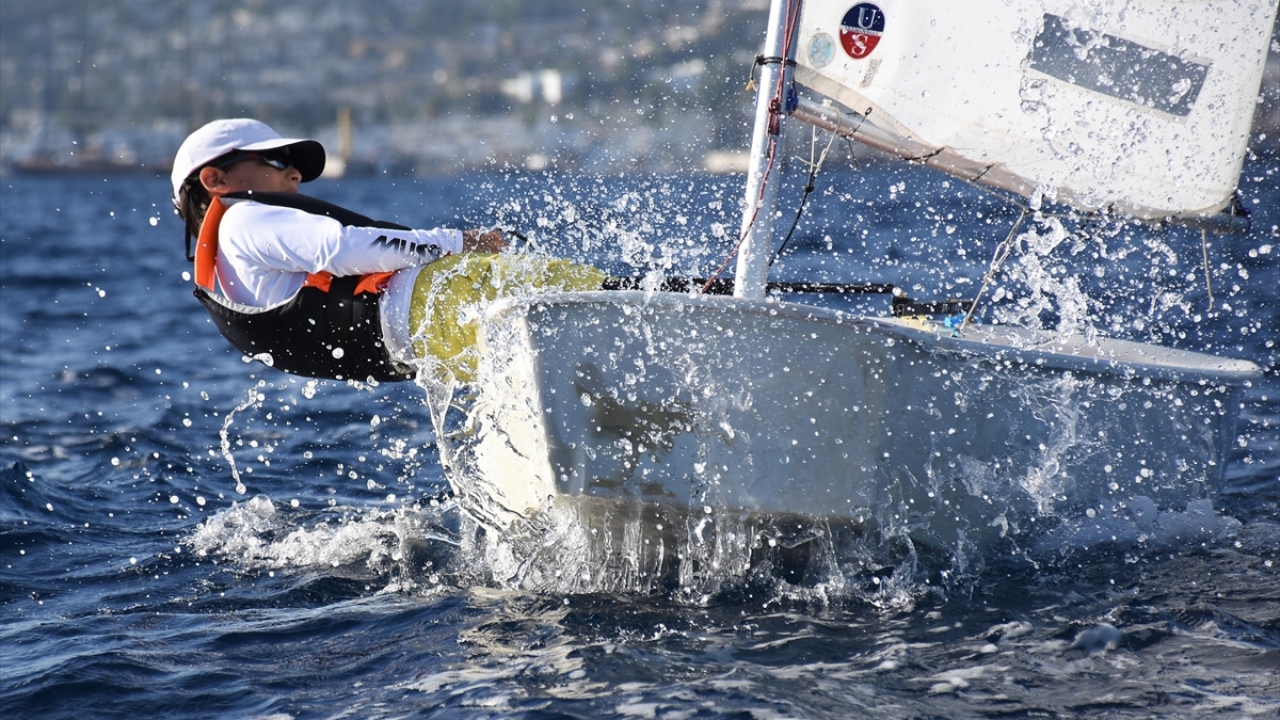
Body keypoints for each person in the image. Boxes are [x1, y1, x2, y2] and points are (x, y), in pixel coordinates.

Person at [172, 118, 600, 384]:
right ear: (216, 180)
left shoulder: (227, 269)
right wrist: (459, 241)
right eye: (277, 163)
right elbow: (342, 247)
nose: (296, 173)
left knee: (565, 360)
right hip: (441, 303)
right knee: (601, 297)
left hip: (420, 346)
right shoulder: (245, 219)